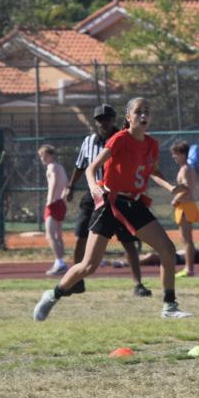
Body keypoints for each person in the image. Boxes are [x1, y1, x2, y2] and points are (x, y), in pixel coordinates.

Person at [34, 96, 191, 321]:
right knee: (88, 265)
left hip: (134, 204)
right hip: (110, 204)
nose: (144, 115)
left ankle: (169, 306)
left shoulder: (152, 144)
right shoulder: (119, 139)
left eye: (147, 110)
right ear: (128, 117)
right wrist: (93, 188)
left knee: (167, 249)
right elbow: (91, 169)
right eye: (138, 111)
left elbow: (153, 172)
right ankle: (53, 294)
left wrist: (172, 187)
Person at [66, 105, 151, 298]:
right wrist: (71, 186)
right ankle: (76, 281)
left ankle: (138, 283)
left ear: (114, 119)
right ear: (95, 122)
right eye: (100, 119)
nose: (104, 123)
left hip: (118, 195)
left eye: (107, 118)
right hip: (93, 194)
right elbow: (80, 166)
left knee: (128, 241)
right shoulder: (88, 141)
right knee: (80, 236)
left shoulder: (123, 138)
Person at [169, 141, 199, 277]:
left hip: (185, 207)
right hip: (185, 206)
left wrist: (176, 198)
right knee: (185, 239)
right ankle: (189, 268)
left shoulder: (186, 169)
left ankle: (189, 269)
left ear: (182, 154)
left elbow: (187, 187)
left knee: (187, 240)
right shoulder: (185, 168)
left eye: (175, 154)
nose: (173, 156)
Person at [38, 145, 69, 275]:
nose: (42, 158)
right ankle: (61, 263)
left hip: (54, 203)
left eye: (44, 155)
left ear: (50, 155)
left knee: (49, 235)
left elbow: (54, 183)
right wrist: (62, 198)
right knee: (58, 235)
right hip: (61, 203)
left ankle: (59, 262)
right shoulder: (60, 167)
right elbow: (66, 185)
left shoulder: (52, 167)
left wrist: (49, 201)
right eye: (41, 156)